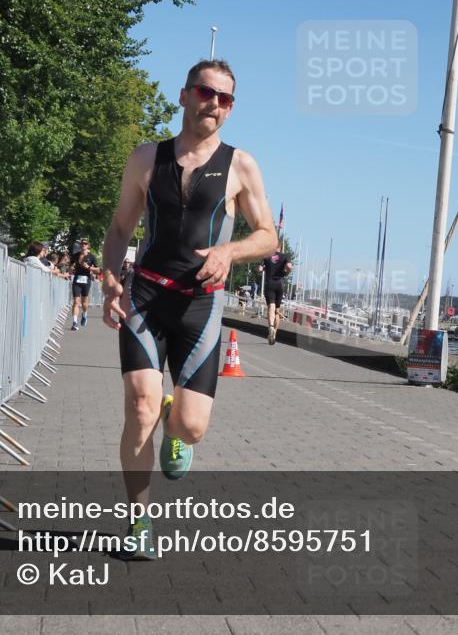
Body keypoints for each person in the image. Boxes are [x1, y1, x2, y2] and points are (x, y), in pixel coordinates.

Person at [100, 60, 276, 559]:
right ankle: (138, 521)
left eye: (225, 98)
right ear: (184, 96)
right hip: (146, 297)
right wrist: (111, 279)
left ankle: (175, 418)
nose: (214, 104)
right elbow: (120, 229)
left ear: (231, 108)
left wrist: (229, 252)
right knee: (139, 406)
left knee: (191, 427)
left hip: (201, 305)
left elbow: (267, 236)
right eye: (205, 93)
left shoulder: (240, 165)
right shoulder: (146, 158)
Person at [257, 243, 293, 345]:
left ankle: (271, 327)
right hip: (280, 284)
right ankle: (274, 334)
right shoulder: (285, 256)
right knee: (277, 311)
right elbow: (289, 267)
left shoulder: (266, 255)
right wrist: (286, 273)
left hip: (269, 284)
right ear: (280, 248)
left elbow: (259, 269)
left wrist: (262, 270)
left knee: (271, 307)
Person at [70, 239, 99, 330]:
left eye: (85, 243)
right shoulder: (75, 256)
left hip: (86, 280)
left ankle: (84, 314)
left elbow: (98, 270)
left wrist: (89, 267)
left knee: (84, 303)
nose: (83, 245)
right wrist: (71, 268)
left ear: (88, 245)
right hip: (77, 280)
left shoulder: (91, 256)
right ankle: (74, 323)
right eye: (82, 243)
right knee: (76, 302)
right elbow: (70, 268)